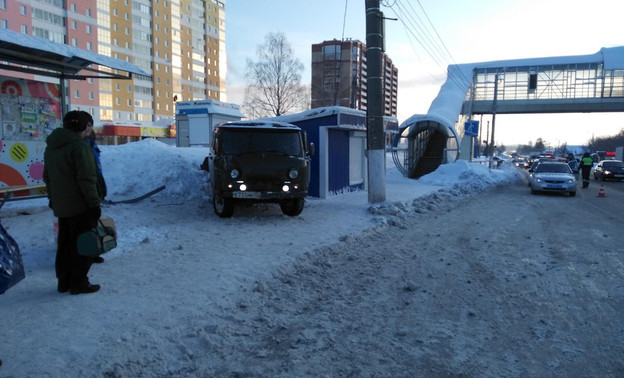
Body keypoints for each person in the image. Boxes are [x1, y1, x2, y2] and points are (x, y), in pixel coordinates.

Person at [43, 110, 102, 294]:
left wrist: (53, 199)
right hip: (80, 205)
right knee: (83, 244)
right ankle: (79, 283)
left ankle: (64, 281)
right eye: (89, 125)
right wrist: (94, 204)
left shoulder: (52, 147)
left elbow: (47, 177)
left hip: (62, 205)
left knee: (65, 244)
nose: (89, 130)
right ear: (84, 127)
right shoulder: (80, 147)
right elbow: (86, 179)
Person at [87, 128, 107, 264]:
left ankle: (93, 251)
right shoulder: (81, 146)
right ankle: (87, 253)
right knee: (85, 222)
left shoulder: (91, 143)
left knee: (91, 222)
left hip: (95, 180)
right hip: (88, 185)